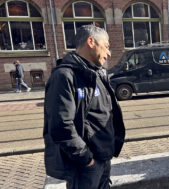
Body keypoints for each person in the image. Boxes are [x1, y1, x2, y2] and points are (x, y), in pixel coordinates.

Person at [43, 25, 126, 189]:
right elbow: (61, 126)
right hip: (86, 165)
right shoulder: (64, 76)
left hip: (104, 157)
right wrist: (86, 159)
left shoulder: (99, 73)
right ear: (91, 41)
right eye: (106, 46)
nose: (109, 53)